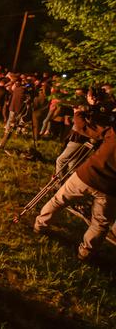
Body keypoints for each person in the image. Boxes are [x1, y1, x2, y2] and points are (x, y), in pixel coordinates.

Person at [34, 106, 115, 260]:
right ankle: (86, 253)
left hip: (87, 175)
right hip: (110, 188)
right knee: (100, 223)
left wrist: (78, 112)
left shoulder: (112, 133)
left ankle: (40, 225)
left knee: (58, 200)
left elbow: (83, 127)